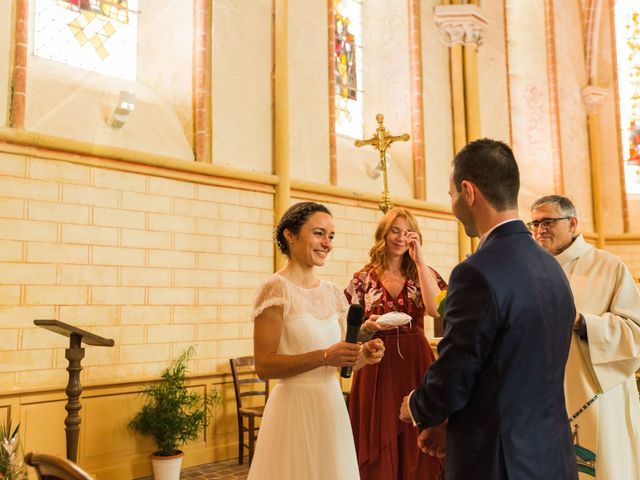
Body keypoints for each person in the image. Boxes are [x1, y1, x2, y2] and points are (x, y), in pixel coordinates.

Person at [399, 138, 578, 480]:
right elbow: (511, 369)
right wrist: (450, 423)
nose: (452, 203)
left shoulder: (476, 272)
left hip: (498, 462)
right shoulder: (551, 267)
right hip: (551, 457)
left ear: (468, 191)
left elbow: (455, 373)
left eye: (451, 194)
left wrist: (416, 405)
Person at [248, 201, 385, 480]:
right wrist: (324, 356)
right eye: (319, 233)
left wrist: (363, 357)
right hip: (293, 409)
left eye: (331, 236)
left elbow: (337, 363)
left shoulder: (333, 293)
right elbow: (264, 365)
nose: (327, 243)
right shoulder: (275, 289)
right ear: (290, 235)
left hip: (331, 406)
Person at [530, 195, 640, 480]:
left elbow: (635, 330)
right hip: (539, 396)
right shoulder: (529, 270)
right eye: (535, 223)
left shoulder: (607, 266)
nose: (540, 229)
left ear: (573, 223)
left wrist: (583, 323)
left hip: (595, 394)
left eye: (548, 221)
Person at [344, 206, 446, 480]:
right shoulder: (362, 278)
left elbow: (437, 310)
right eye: (395, 231)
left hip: (416, 361)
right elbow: (351, 335)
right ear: (383, 234)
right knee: (378, 433)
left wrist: (421, 260)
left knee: (417, 431)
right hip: (376, 361)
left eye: (407, 232)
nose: (401, 237)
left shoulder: (423, 273)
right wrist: (368, 328)